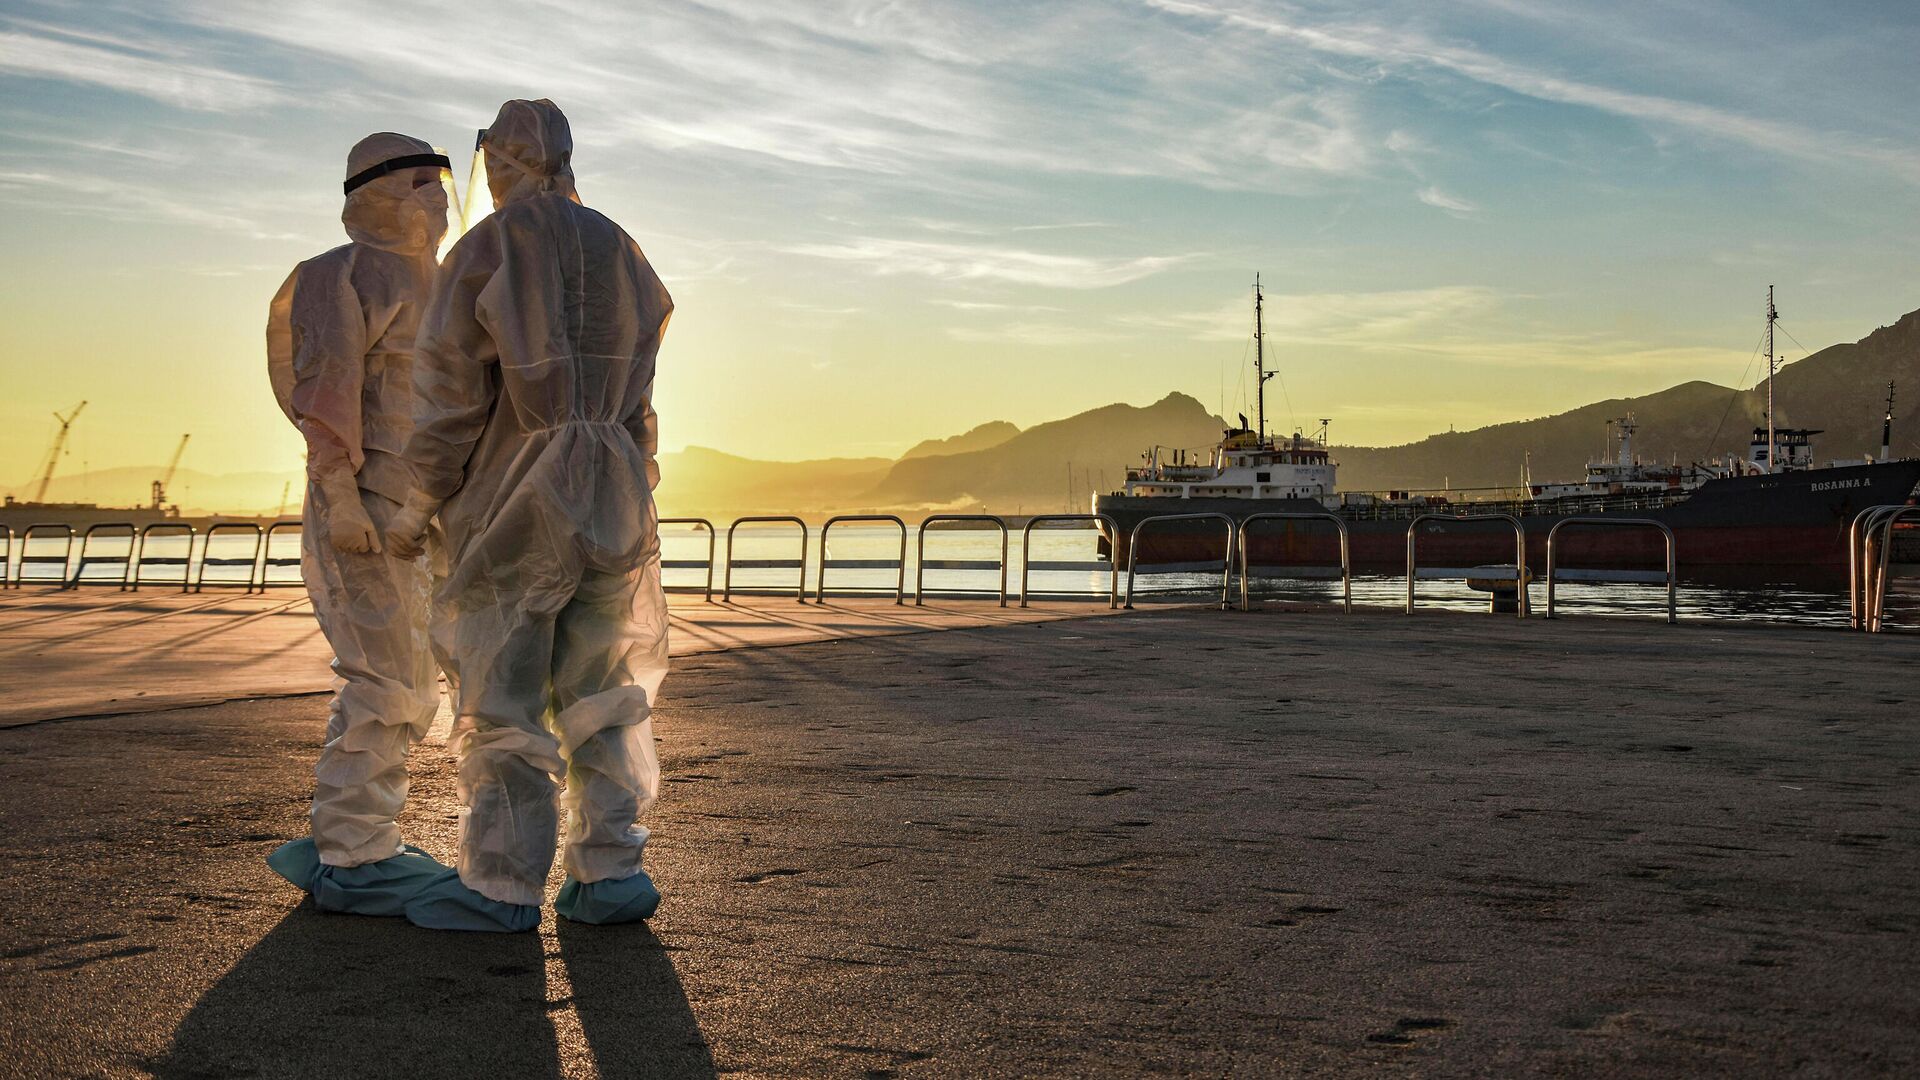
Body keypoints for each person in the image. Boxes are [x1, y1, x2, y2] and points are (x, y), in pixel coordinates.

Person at [388, 99, 673, 932]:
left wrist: (417, 500)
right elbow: (643, 393)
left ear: (499, 159)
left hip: (515, 496)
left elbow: (446, 396)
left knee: (503, 685)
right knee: (603, 678)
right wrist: (635, 474)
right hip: (614, 488)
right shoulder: (620, 246)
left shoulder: (488, 246)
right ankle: (612, 871)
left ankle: (503, 883)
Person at [263, 133, 454, 914]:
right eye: (420, 184)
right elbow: (325, 388)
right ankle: (352, 853)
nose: (437, 200)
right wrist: (340, 495)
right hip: (367, 506)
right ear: (376, 193)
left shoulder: (447, 282)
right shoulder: (331, 277)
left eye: (442, 183)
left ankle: (357, 834)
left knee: (418, 676)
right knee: (384, 678)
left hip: (430, 509)